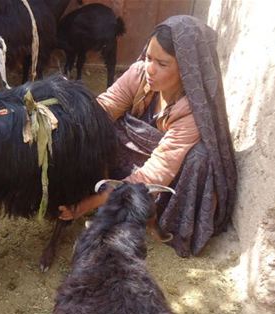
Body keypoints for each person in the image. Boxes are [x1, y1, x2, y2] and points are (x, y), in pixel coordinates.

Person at [58, 15, 237, 257]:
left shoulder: (193, 112)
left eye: (162, 64)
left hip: (167, 177)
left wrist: (86, 205)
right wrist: (63, 120)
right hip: (134, 155)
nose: (150, 69)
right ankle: (111, 193)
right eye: (149, 58)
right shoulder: (140, 74)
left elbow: (157, 172)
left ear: (186, 69)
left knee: (200, 157)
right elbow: (103, 108)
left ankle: (153, 213)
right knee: (104, 127)